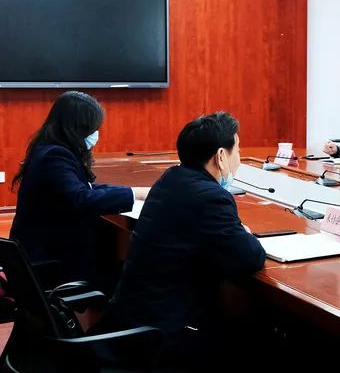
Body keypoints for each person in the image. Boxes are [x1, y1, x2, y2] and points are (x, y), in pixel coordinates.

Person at [103, 112, 266, 359]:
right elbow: (249, 258)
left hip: (131, 321)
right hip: (163, 335)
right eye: (238, 151)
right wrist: (244, 234)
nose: (239, 159)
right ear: (221, 156)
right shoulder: (211, 197)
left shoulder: (171, 178)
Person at [10, 91, 150, 289]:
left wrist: (134, 192)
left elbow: (84, 188)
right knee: (129, 273)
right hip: (51, 261)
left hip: (44, 252)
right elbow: (82, 198)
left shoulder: (48, 148)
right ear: (78, 128)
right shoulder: (55, 156)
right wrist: (132, 195)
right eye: (93, 128)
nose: (96, 134)